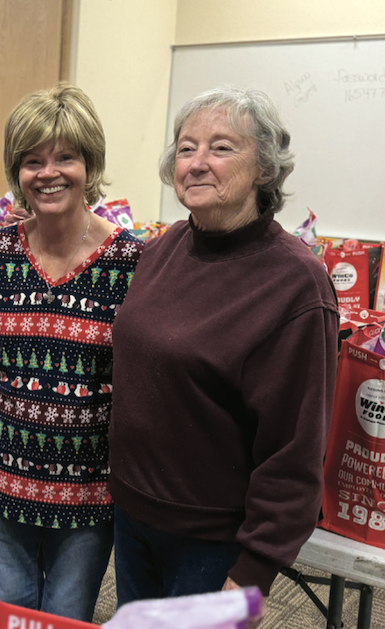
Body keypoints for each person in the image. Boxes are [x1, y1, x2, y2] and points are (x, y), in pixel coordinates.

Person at [108, 86, 339, 620]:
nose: (198, 163)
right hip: (135, 517)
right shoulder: (162, 249)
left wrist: (252, 574)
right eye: (186, 148)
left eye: (222, 147)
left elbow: (295, 450)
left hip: (214, 543)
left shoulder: (296, 285)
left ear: (265, 168)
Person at [0, 84, 144, 622]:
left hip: (87, 493)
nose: (49, 172)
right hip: (5, 480)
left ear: (91, 165)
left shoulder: (131, 263)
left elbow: (135, 388)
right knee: (13, 613)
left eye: (65, 157)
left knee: (67, 615)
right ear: (17, 171)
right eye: (33, 160)